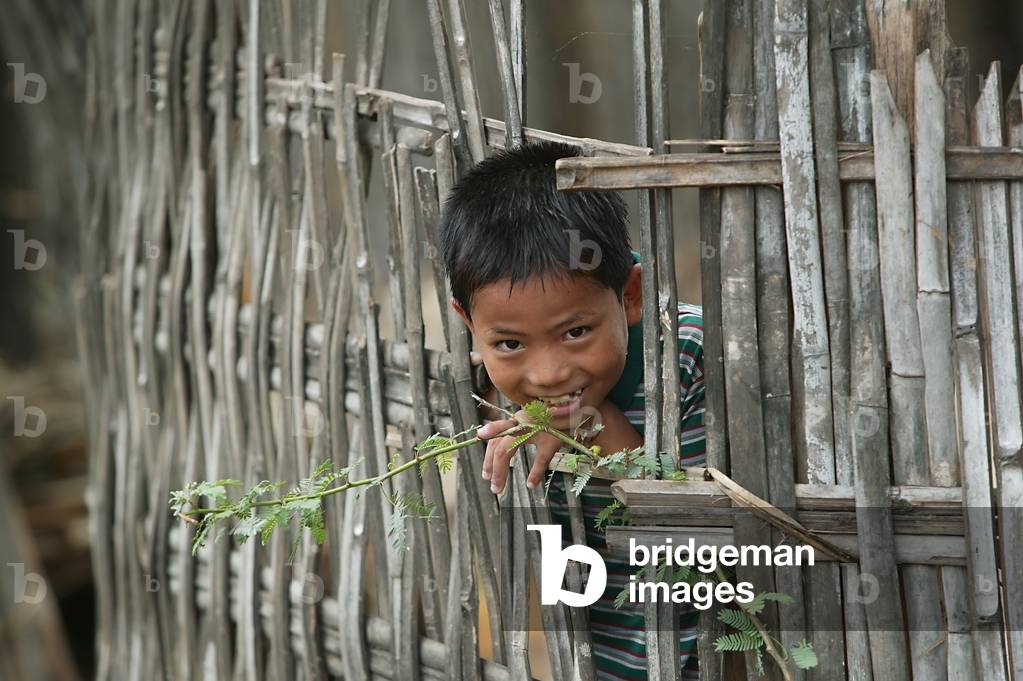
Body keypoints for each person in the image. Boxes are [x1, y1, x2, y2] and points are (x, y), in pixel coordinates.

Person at [438, 140, 706, 680]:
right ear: (469, 324)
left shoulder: (690, 359)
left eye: (576, 332)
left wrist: (602, 428)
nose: (548, 373)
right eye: (511, 344)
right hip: (596, 656)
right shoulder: (489, 388)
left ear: (631, 295)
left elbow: (707, 540)